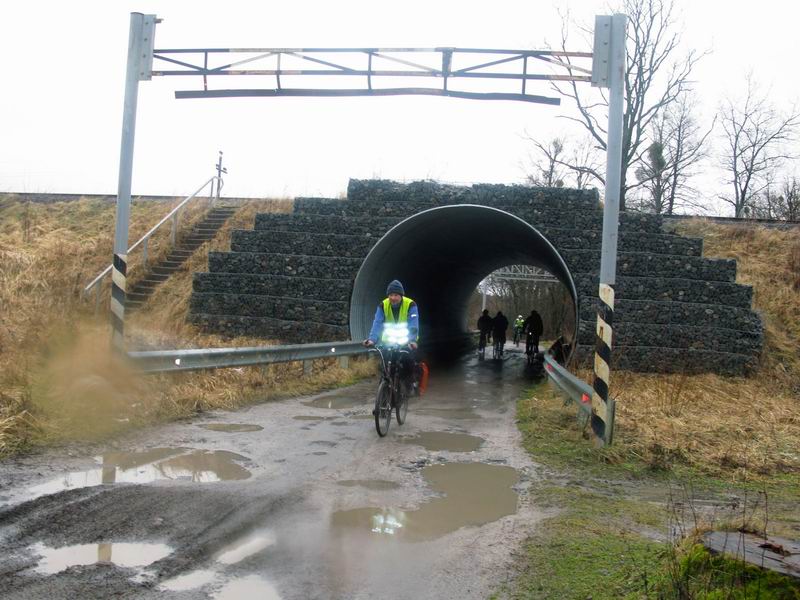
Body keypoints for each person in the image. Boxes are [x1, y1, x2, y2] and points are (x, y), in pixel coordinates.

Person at [363, 279, 420, 392]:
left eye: (396, 295)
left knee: (408, 361)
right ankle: (385, 386)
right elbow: (377, 323)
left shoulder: (410, 304)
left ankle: (410, 383)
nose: (393, 298)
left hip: (406, 341)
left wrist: (412, 340)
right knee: (384, 364)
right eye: (390, 295)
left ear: (401, 295)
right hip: (388, 341)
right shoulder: (383, 305)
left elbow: (414, 324)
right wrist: (372, 340)